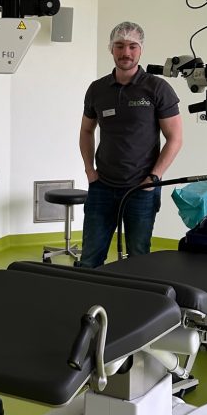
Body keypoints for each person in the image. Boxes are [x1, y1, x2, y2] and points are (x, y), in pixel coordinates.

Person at [78, 21, 183, 267]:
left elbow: (175, 138)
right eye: (119, 46)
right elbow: (86, 130)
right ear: (111, 49)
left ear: (141, 50)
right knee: (90, 258)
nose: (126, 52)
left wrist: (153, 178)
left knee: (138, 257)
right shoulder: (97, 89)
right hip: (102, 186)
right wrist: (89, 170)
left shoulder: (157, 88)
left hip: (141, 188)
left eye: (132, 46)